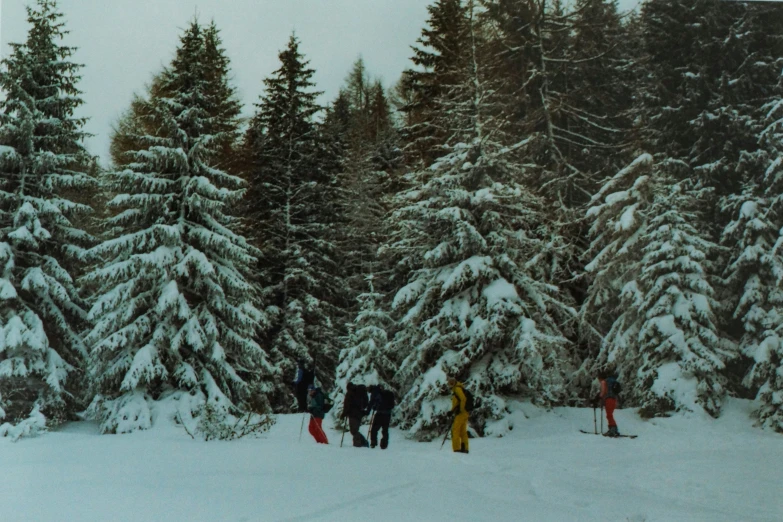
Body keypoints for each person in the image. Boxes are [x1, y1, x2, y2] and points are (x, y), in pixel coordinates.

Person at [367, 385, 395, 449]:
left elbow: (372, 402)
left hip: (379, 413)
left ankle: (373, 443)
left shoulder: (375, 392)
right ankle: (384, 445)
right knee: (385, 429)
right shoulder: (387, 393)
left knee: (374, 429)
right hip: (387, 414)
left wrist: (371, 409)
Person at [342, 382, 369, 447]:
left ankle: (359, 443)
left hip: (352, 414)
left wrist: (343, 414)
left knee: (353, 431)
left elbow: (347, 405)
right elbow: (366, 403)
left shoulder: (350, 393)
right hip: (359, 413)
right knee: (355, 430)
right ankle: (362, 442)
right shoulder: (359, 392)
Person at [594, 370, 620, 437]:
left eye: (598, 379)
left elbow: (603, 392)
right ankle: (612, 429)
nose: (599, 381)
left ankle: (613, 430)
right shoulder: (610, 381)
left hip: (609, 399)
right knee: (609, 415)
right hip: (614, 400)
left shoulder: (604, 382)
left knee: (609, 415)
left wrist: (597, 398)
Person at [447, 377, 469, 454]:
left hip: (461, 413)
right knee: (463, 431)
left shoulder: (457, 389)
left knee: (455, 430)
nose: (449, 385)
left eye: (450, 383)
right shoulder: (460, 388)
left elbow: (463, 399)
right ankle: (464, 448)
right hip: (465, 413)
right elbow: (458, 402)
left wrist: (461, 410)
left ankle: (456, 449)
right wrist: (452, 411)